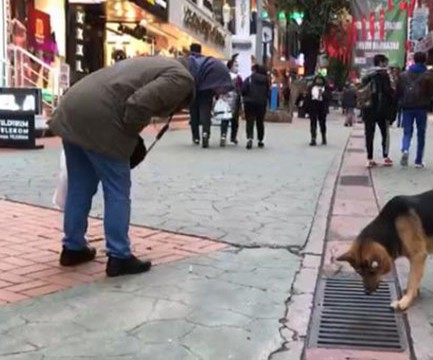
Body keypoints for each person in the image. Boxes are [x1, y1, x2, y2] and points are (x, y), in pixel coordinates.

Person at [47, 56, 205, 277]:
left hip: (71, 108)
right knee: (117, 190)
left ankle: (73, 248)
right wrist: (130, 141)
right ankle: (119, 256)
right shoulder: (181, 79)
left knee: (79, 187)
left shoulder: (155, 63)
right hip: (101, 118)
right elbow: (138, 104)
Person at [397, 52, 433, 168]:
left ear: (414, 60)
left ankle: (405, 149)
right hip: (422, 107)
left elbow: (399, 91)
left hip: (407, 107)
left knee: (407, 131)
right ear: (425, 60)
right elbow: (432, 93)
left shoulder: (403, 75)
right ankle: (418, 160)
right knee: (421, 133)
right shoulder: (429, 75)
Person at [361, 54, 396, 167]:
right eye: (385, 62)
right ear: (381, 62)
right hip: (381, 109)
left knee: (370, 134)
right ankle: (384, 157)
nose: (386, 64)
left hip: (369, 108)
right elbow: (390, 91)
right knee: (384, 133)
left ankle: (370, 158)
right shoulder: (383, 74)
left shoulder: (367, 74)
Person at [242, 64, 270, 149]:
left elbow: (243, 90)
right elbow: (268, 92)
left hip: (249, 103)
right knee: (260, 121)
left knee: (250, 121)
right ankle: (260, 140)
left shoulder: (249, 79)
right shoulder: (265, 80)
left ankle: (249, 138)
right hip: (261, 103)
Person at [222, 58, 242, 145]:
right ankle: (233, 137)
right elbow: (241, 89)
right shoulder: (238, 78)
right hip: (235, 100)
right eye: (235, 65)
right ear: (230, 67)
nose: (237, 67)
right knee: (234, 120)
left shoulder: (224, 76)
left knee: (225, 119)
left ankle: (223, 135)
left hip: (225, 100)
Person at [307, 75, 331, 145]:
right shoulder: (311, 87)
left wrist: (323, 94)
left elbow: (329, 97)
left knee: (322, 123)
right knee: (313, 123)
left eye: (320, 80)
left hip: (322, 107)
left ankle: (323, 137)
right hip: (313, 106)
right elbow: (308, 97)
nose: (319, 81)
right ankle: (313, 138)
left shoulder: (326, 88)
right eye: (317, 79)